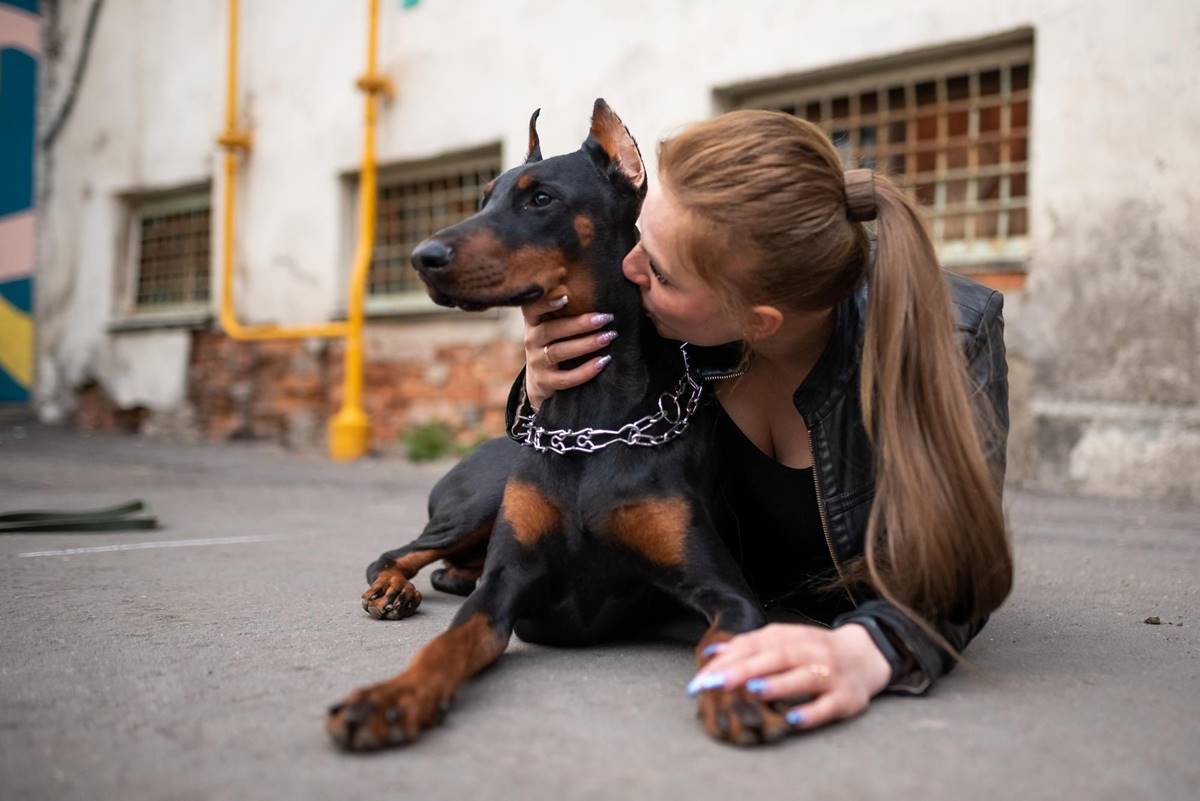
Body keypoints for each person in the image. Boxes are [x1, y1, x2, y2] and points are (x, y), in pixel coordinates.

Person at [512, 109, 1012, 731]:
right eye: (642, 239)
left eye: (660, 272)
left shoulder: (948, 337)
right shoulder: (667, 313)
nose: (630, 269)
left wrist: (868, 650)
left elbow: (958, 564)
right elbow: (576, 448)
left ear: (758, 323)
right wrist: (538, 384)